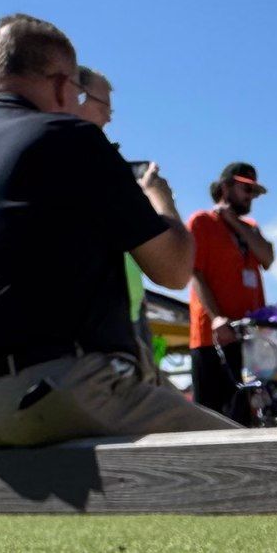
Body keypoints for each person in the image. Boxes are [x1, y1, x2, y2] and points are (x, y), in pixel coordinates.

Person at [0, 15, 234, 446]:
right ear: (64, 85)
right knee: (258, 459)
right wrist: (162, 202)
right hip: (54, 392)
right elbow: (175, 271)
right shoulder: (71, 137)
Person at [68, 66, 158, 382]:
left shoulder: (101, 160)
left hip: (129, 310)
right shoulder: (75, 163)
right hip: (100, 331)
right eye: (103, 105)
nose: (109, 117)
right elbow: (172, 268)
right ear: (74, 97)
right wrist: (161, 201)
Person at [186, 163, 275, 421]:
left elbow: (267, 257)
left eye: (254, 192)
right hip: (211, 339)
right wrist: (216, 317)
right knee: (212, 418)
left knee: (246, 418)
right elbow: (196, 274)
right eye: (246, 189)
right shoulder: (201, 222)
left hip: (248, 341)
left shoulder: (249, 226)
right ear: (225, 187)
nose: (250, 196)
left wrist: (234, 222)